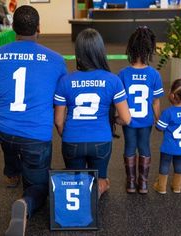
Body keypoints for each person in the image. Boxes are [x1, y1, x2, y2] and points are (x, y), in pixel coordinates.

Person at [0, 5, 67, 236]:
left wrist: (6, 104)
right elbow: (60, 101)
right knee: (39, 186)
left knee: (9, 139)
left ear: (13, 28)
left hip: (1, 128)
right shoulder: (57, 60)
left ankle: (11, 172)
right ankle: (26, 204)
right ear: (39, 28)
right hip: (35, 137)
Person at [54, 28, 131, 198]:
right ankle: (99, 188)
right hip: (101, 141)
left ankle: (78, 200)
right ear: (100, 51)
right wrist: (114, 120)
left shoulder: (65, 81)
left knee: (75, 181)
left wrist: (67, 135)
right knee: (101, 179)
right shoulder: (113, 81)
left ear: (78, 52)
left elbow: (59, 121)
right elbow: (126, 118)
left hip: (72, 140)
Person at [117, 26, 164, 194]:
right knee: (144, 146)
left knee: (129, 146)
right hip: (146, 120)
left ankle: (130, 183)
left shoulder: (122, 73)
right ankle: (142, 184)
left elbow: (119, 100)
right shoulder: (154, 74)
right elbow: (156, 103)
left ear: (131, 48)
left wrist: (116, 118)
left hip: (128, 119)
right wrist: (158, 120)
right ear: (149, 49)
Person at [153, 77, 181, 194]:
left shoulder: (168, 112)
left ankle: (161, 187)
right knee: (179, 165)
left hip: (168, 147)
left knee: (165, 165)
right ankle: (177, 187)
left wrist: (157, 119)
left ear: (172, 96)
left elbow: (159, 128)